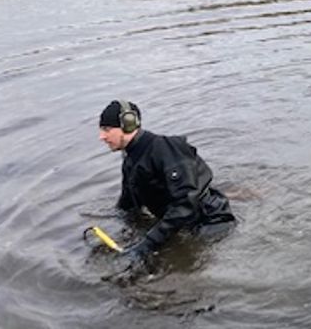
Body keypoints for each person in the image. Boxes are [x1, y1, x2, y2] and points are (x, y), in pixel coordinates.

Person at [97, 99, 235, 265]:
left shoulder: (165, 149)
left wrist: (147, 243)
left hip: (211, 223)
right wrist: (112, 226)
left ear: (128, 124)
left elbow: (185, 204)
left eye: (107, 129)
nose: (101, 137)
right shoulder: (130, 159)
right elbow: (128, 203)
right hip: (179, 224)